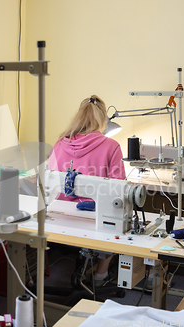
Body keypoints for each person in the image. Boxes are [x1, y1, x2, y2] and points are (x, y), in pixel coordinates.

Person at [48, 95, 126, 286]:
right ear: (102, 120)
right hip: (92, 219)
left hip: (58, 217)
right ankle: (100, 275)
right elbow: (119, 188)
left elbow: (50, 181)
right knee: (118, 217)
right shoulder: (111, 146)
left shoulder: (59, 144)